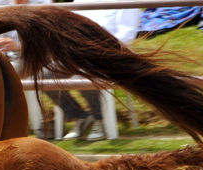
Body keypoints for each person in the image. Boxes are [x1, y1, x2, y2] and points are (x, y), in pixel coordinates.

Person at [45, 0, 140, 140]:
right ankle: (80, 117)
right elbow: (71, 26)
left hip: (110, 55)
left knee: (82, 78)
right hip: (79, 53)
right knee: (44, 76)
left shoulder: (127, 2)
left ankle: (100, 120)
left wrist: (95, 47)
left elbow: (127, 35)